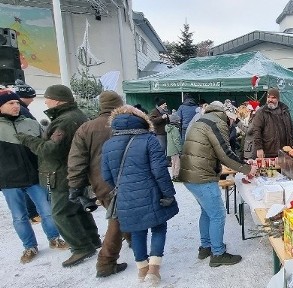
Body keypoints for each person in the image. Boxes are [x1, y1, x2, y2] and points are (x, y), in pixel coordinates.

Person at [16, 84, 101, 267]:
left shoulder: (64, 121)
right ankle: (92, 241)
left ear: (57, 100)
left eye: (47, 98)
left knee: (60, 213)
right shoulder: (76, 115)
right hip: (74, 171)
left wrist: (27, 139)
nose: (45, 101)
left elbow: (51, 150)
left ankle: (81, 247)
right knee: (77, 208)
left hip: (62, 173)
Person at [101, 105, 179, 285]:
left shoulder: (108, 144)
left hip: (125, 196)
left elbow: (106, 175)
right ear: (142, 120)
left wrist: (124, 187)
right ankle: (154, 270)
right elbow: (159, 170)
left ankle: (142, 270)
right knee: (159, 227)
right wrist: (168, 194)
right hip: (151, 192)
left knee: (137, 231)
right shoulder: (149, 139)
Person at [179, 101, 256, 268]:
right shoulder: (217, 122)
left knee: (207, 212)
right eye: (233, 120)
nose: (232, 124)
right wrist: (248, 169)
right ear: (227, 116)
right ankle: (218, 253)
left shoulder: (203, 119)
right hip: (202, 176)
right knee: (218, 214)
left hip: (190, 174)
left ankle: (206, 247)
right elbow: (226, 153)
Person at [0, 89, 68, 264]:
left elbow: (43, 148)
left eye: (17, 103)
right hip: (9, 181)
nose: (16, 106)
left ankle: (54, 238)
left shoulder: (30, 123)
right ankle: (29, 246)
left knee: (47, 211)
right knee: (19, 217)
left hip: (34, 177)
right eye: (11, 103)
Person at [67, 91, 127, 277]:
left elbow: (77, 159)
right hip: (126, 178)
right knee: (116, 221)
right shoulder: (126, 123)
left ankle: (132, 238)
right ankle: (106, 263)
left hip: (100, 182)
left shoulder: (86, 128)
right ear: (119, 104)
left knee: (119, 216)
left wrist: (76, 185)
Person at [13, 80, 40, 222]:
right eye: (31, 96)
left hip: (19, 153)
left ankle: (32, 212)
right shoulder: (22, 111)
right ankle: (33, 213)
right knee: (30, 183)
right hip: (25, 152)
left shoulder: (21, 109)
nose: (33, 99)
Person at [252, 88, 293, 158]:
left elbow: (292, 128)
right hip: (268, 152)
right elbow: (256, 131)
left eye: (273, 98)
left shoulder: (285, 111)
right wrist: (259, 148)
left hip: (284, 152)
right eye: (268, 97)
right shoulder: (261, 112)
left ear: (278, 99)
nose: (270, 100)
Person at [166, 114, 182, 181]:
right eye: (178, 121)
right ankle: (176, 176)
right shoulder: (174, 129)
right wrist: (180, 149)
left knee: (173, 163)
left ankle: (173, 175)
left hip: (170, 149)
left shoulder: (168, 128)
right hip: (175, 149)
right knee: (177, 163)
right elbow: (176, 140)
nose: (179, 122)